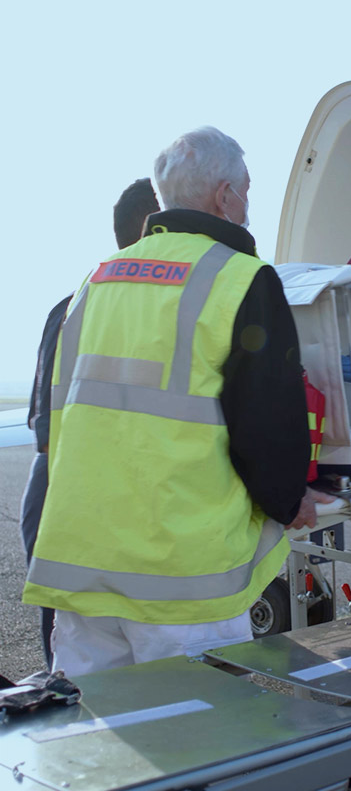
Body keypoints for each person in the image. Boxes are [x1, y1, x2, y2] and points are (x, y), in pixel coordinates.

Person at [24, 126, 321, 677]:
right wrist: (289, 499)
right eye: (248, 190)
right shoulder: (241, 279)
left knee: (96, 746)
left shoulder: (96, 280)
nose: (248, 204)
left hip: (85, 566)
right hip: (180, 579)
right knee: (201, 742)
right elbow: (266, 423)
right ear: (224, 194)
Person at [18, 178, 161, 670]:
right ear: (153, 228)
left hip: (61, 506)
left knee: (79, 672)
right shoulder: (146, 308)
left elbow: (46, 434)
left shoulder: (76, 302)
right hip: (90, 511)